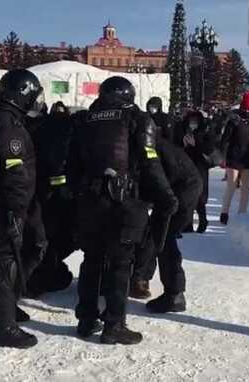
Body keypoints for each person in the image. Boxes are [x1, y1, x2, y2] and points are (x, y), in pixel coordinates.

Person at [70, 76, 177, 344]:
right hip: (125, 200)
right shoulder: (137, 119)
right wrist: (166, 196)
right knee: (120, 264)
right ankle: (114, 325)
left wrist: (79, 192)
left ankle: (85, 320)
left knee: (92, 260)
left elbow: (71, 164)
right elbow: (150, 163)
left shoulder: (86, 119)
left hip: (90, 200)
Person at [0, 69, 45, 349]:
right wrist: (16, 210)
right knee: (4, 262)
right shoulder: (8, 125)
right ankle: (4, 328)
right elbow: (14, 173)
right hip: (4, 206)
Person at [130, 120, 202, 302]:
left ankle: (171, 291)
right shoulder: (152, 142)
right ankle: (143, 278)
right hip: (180, 187)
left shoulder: (149, 146)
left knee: (162, 237)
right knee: (157, 235)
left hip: (182, 190)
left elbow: (156, 176)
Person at [26, 101, 77, 297]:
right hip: (63, 192)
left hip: (40, 189)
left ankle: (40, 274)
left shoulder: (38, 127)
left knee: (44, 235)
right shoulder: (70, 127)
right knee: (58, 236)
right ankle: (45, 275)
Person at [219, 91, 249, 224]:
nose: (247, 110)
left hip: (248, 159)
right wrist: (222, 156)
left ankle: (242, 214)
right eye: (246, 107)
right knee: (231, 186)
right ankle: (224, 213)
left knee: (246, 189)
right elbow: (225, 140)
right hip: (234, 158)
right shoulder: (234, 120)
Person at [180, 109, 216, 233]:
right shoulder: (183, 130)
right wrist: (183, 143)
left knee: (200, 197)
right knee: (188, 196)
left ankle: (203, 220)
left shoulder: (205, 131)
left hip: (200, 167)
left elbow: (209, 149)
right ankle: (187, 223)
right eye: (191, 121)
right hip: (187, 167)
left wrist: (196, 143)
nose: (192, 124)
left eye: (195, 121)